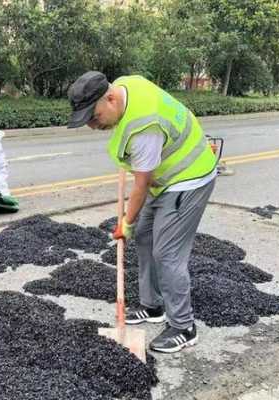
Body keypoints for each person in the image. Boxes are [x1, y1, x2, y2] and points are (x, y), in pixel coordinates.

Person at [67, 71, 217, 353]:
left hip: (188, 177)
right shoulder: (124, 86)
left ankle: (183, 326)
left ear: (110, 99)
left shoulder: (144, 128)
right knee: (145, 236)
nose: (91, 125)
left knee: (167, 252)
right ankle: (153, 306)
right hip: (165, 179)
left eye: (94, 117)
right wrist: (133, 225)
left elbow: (141, 184)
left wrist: (125, 221)